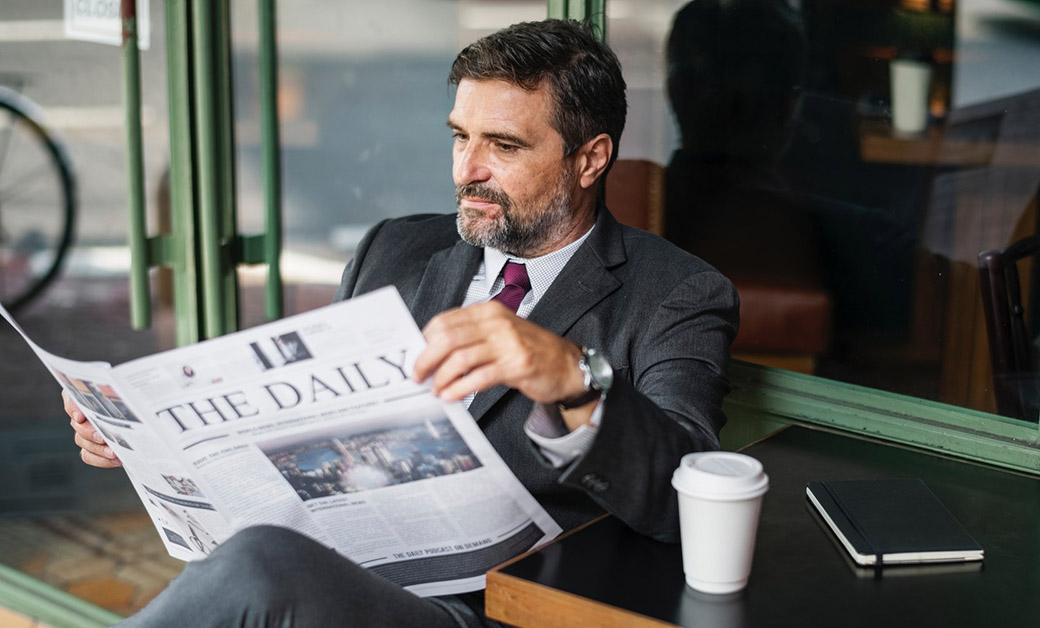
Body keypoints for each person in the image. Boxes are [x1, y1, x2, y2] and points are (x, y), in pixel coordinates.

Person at [63, 19, 738, 627]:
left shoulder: (673, 293)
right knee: (246, 565)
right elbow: (301, 427)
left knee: (258, 568)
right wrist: (149, 442)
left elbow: (687, 499)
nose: (468, 170)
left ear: (589, 159)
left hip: (487, 607)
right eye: (460, 137)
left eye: (502, 145)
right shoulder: (394, 249)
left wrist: (569, 379)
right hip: (344, 564)